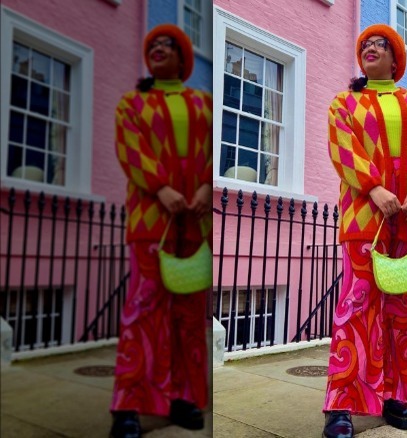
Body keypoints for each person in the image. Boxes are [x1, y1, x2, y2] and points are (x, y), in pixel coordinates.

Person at [322, 24, 407, 438]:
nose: (371, 48)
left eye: (380, 45)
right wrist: (374, 188)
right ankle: (342, 404)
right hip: (364, 219)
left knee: (402, 311)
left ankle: (397, 395)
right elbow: (343, 148)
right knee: (357, 308)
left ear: (396, 59)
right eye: (365, 45)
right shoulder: (345, 102)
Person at [110, 24, 212, 438]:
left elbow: (211, 147)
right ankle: (129, 405)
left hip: (197, 221)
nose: (159, 49)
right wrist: (163, 188)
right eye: (153, 45)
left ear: (183, 57)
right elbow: (130, 148)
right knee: (144, 309)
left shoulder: (201, 102)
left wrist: (207, 184)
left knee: (189, 315)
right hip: (152, 219)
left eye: (168, 45)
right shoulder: (132, 103)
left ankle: (184, 397)